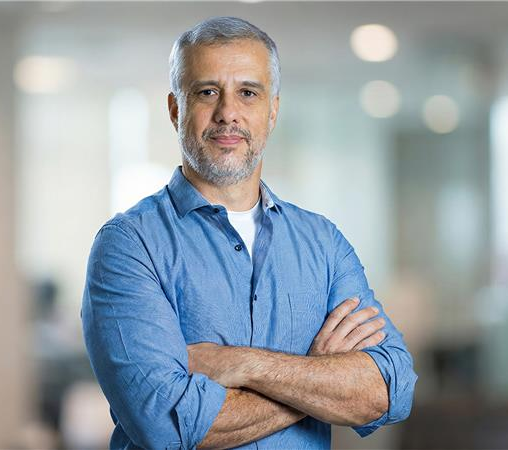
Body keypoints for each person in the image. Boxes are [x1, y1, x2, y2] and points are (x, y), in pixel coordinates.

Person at [81, 16, 417, 450]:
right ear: (174, 109)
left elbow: (390, 389)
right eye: (206, 92)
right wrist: (315, 377)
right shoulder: (130, 245)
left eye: (248, 92)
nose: (228, 113)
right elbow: (166, 425)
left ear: (272, 109)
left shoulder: (323, 244)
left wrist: (243, 365)